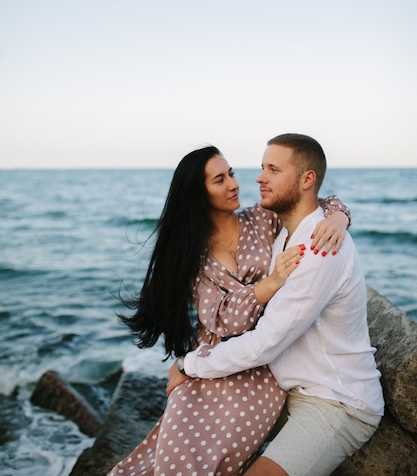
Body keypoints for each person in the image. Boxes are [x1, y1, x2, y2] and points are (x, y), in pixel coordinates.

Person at [107, 145, 351, 476]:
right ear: (198, 194)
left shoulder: (262, 219)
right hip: (210, 359)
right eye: (219, 180)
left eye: (232, 173)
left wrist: (339, 218)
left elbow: (315, 202)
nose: (234, 184)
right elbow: (222, 320)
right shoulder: (195, 256)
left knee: (204, 462)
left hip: (257, 368)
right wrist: (271, 282)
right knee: (164, 456)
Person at [168, 134, 384, 476]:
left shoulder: (318, 247)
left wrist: (187, 365)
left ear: (306, 179)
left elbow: (265, 343)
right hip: (286, 387)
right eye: (260, 168)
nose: (257, 178)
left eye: (273, 169)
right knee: (183, 433)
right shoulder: (284, 233)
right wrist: (339, 213)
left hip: (334, 400)